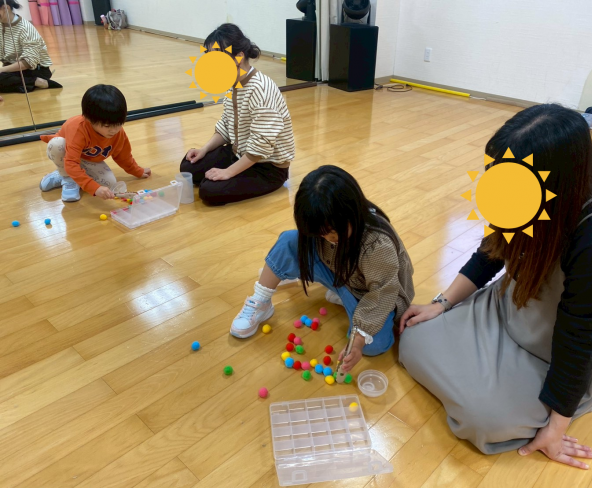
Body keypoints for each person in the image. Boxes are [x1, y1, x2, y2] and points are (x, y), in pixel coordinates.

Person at [399, 104, 592, 468]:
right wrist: (441, 303)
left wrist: (556, 428)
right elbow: (491, 252)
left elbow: (579, 341)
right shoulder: (521, 195)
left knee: (483, 421)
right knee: (413, 336)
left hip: (560, 348)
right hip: (511, 309)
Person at [230, 166, 415, 372]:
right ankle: (261, 302)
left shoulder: (377, 245)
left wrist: (359, 340)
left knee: (374, 345)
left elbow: (383, 293)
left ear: (351, 212)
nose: (327, 238)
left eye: (332, 232)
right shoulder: (328, 229)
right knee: (289, 241)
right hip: (341, 274)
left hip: (371, 294)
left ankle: (347, 300)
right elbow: (309, 240)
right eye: (320, 234)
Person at [179, 24, 294, 206]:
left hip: (267, 167)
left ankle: (234, 175)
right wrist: (204, 149)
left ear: (238, 57)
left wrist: (228, 172)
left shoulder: (261, 89)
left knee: (209, 191)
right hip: (239, 152)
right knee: (188, 167)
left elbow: (260, 147)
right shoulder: (232, 83)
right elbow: (226, 126)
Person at [39, 84, 151, 202]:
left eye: (119, 124)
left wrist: (137, 170)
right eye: (107, 126)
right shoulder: (77, 129)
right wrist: (94, 188)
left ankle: (75, 174)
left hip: (88, 160)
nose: (114, 130)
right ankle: (66, 176)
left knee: (110, 183)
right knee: (57, 144)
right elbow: (71, 162)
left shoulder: (118, 133)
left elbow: (123, 156)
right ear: (89, 119)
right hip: (66, 155)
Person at [0, 0, 62, 93]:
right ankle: (24, 86)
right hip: (11, 69)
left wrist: (2, 70)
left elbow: (28, 62)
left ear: (6, 8)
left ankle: (37, 81)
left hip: (34, 70)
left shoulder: (25, 28)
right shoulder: (1, 24)